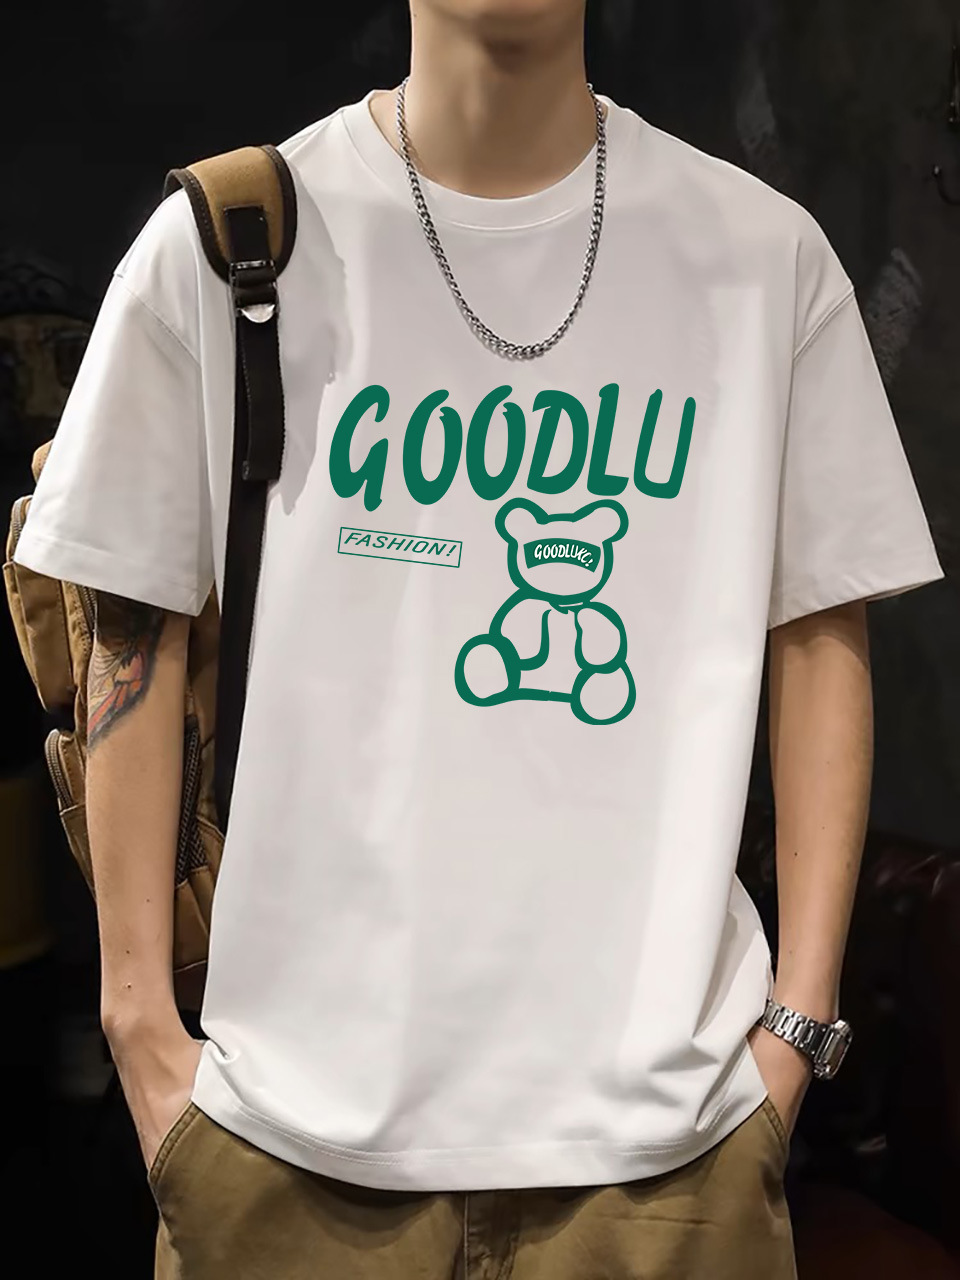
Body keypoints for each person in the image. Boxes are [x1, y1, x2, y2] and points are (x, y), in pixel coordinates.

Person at [12, 0, 944, 1276]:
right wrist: (140, 1029)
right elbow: (130, 619)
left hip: (673, 1156)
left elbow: (820, 630)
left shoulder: (760, 259)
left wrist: (799, 1023)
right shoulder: (227, 248)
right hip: (285, 1146)